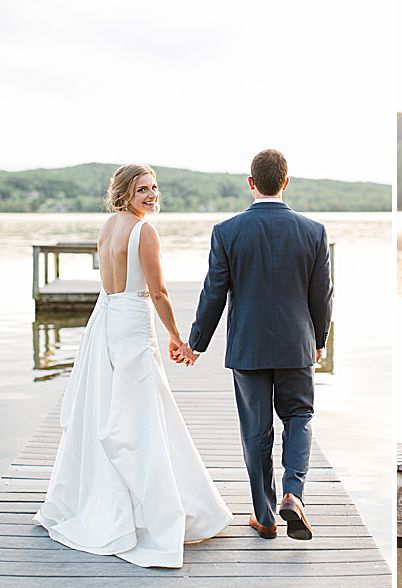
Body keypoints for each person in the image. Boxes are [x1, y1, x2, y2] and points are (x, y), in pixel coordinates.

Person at [34, 164, 233, 568]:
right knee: (139, 415)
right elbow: (157, 291)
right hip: (129, 322)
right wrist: (178, 337)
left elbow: (113, 285)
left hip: (106, 318)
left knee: (110, 410)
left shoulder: (108, 226)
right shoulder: (145, 230)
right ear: (124, 192)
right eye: (143, 189)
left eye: (155, 188)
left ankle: (100, 500)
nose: (152, 195)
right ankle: (145, 514)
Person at [180, 149, 332, 541]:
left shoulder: (227, 231)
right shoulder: (314, 231)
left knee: (255, 431)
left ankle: (264, 517)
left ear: (251, 183)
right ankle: (293, 494)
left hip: (248, 347)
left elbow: (213, 292)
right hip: (296, 345)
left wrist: (196, 344)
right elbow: (322, 296)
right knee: (299, 416)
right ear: (286, 182)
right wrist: (318, 339)